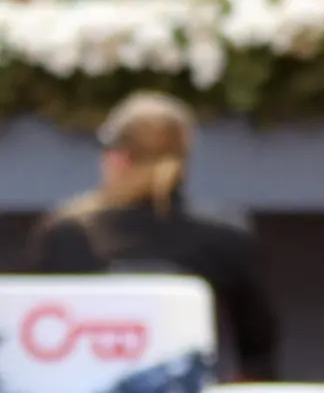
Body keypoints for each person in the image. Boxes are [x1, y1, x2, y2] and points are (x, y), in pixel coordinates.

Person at [23, 91, 280, 383]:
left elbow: (32, 342)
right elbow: (258, 356)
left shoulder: (66, 233)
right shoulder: (228, 235)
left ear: (116, 159)